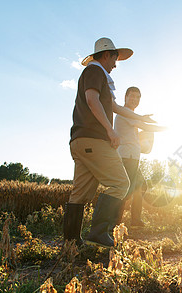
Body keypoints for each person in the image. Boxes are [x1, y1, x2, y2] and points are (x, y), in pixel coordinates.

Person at [64, 37, 155, 248]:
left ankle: (70, 243)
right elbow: (92, 100)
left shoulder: (96, 75)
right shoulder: (95, 72)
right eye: (115, 59)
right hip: (94, 140)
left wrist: (140, 118)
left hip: (80, 141)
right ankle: (98, 233)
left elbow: (113, 106)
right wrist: (110, 130)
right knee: (121, 183)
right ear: (106, 55)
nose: (115, 65)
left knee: (80, 193)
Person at [114, 87, 166, 227]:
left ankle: (135, 220)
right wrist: (166, 128)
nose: (135, 100)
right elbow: (146, 127)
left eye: (138, 97)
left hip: (132, 156)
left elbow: (140, 129)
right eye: (132, 96)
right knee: (126, 190)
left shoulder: (130, 115)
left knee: (141, 186)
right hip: (127, 157)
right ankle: (115, 223)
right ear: (125, 97)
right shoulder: (126, 114)